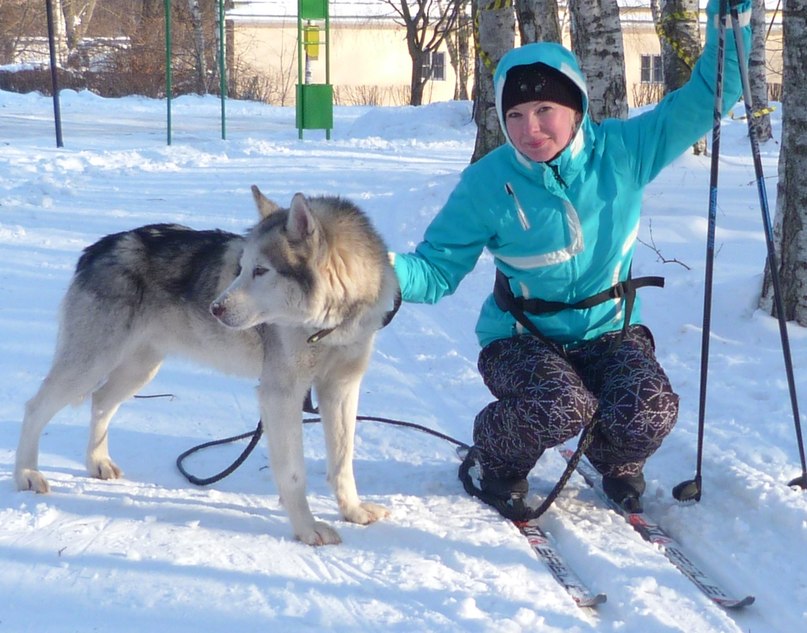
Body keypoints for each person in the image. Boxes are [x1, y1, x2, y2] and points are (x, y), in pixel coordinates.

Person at [389, 0, 752, 520]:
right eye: (514, 114)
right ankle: (494, 459)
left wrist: (729, 27)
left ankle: (614, 457)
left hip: (610, 332)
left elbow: (707, 97)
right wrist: (376, 269)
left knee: (651, 408)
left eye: (544, 111)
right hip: (520, 341)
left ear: (576, 107)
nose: (529, 128)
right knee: (562, 404)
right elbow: (435, 271)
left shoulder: (625, 152)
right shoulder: (488, 184)